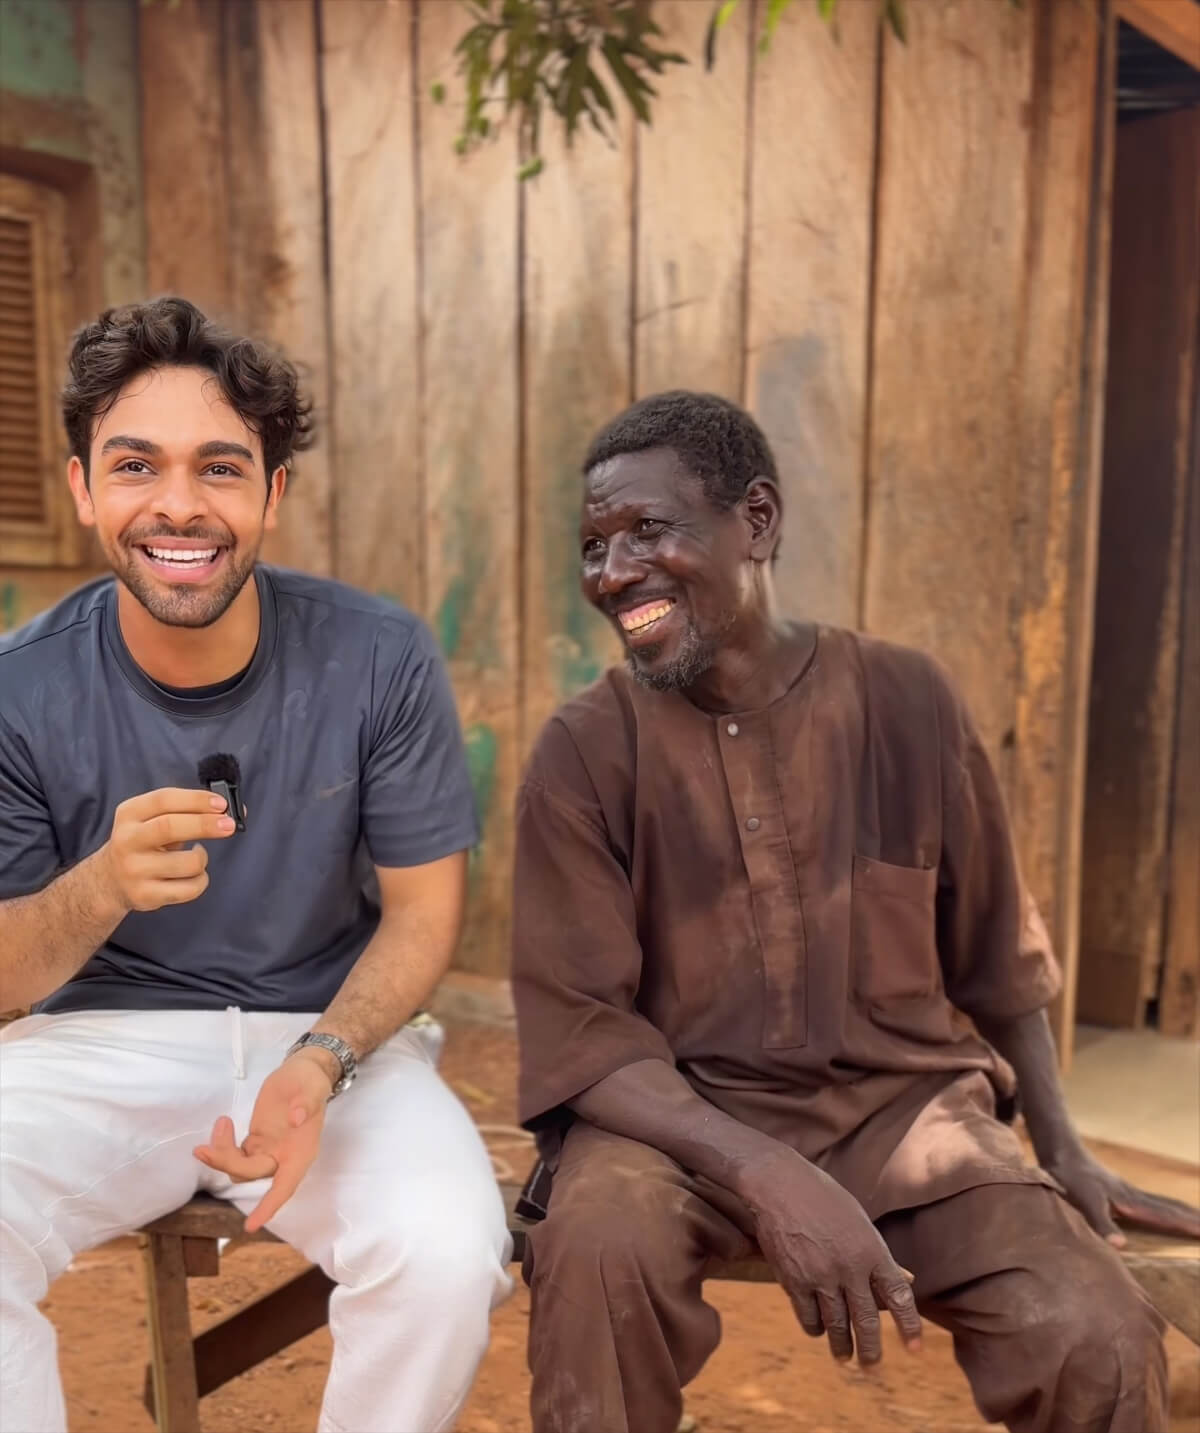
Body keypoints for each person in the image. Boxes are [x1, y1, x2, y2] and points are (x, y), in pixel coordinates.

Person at [512, 391, 1199, 1433]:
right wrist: (766, 1168)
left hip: (909, 1119)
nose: (612, 572)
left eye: (647, 529)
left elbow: (1000, 960)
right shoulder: (584, 751)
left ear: (757, 520)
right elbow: (587, 1037)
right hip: (679, 1124)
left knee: (1097, 1337)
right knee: (595, 1254)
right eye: (594, 546)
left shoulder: (911, 700)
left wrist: (1062, 1144)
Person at [0, 297, 511, 1433]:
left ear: (273, 493)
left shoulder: (378, 654)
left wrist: (323, 1060)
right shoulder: (18, 687)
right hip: (98, 1044)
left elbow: (423, 914)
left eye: (221, 468)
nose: (180, 504)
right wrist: (101, 884)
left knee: (445, 1252)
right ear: (83, 487)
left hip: (325, 1039)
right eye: (136, 464)